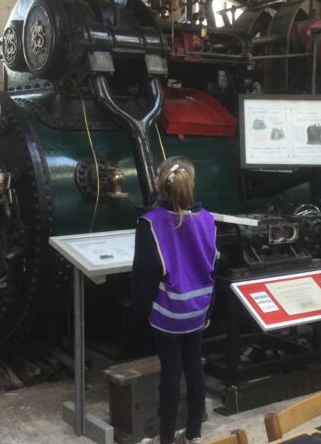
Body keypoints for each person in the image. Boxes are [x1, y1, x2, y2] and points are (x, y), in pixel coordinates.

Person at [131, 156, 218, 444]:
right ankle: (193, 434)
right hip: (199, 307)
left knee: (171, 370)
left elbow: (145, 276)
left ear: (160, 183)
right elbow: (211, 268)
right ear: (190, 183)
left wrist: (141, 313)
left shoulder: (150, 223)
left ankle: (166, 439)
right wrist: (208, 311)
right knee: (194, 365)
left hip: (169, 312)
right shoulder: (208, 219)